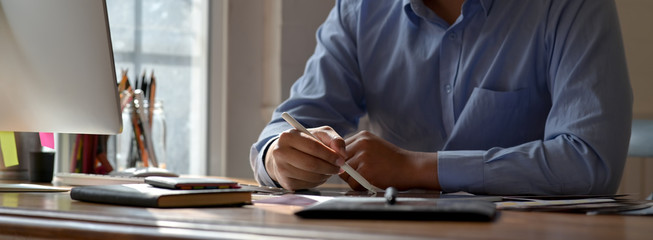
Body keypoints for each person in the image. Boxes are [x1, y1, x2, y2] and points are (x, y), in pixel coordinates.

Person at [250, 0, 632, 195]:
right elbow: (287, 125)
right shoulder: (361, 9)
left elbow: (589, 163)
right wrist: (277, 159)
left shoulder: (569, 6)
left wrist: (414, 168)